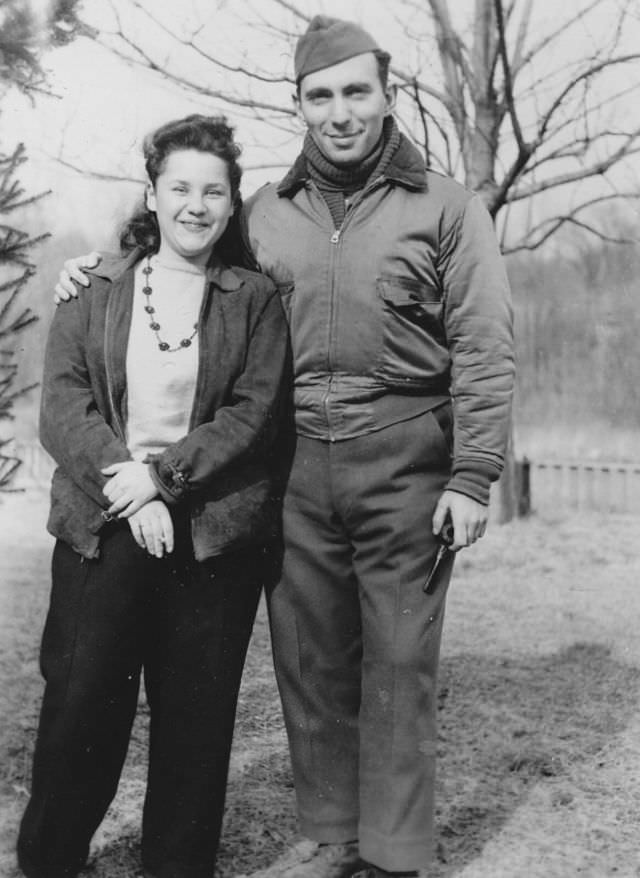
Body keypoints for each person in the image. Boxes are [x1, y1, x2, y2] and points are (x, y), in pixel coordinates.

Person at [53, 15, 515, 878]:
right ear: (299, 105)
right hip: (294, 463)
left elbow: (486, 347)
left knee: (401, 660)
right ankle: (332, 832)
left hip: (406, 455)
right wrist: (99, 268)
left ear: (387, 94)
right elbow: (180, 249)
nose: (339, 113)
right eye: (319, 97)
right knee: (308, 658)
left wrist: (474, 473)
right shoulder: (265, 211)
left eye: (356, 93)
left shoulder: (449, 207)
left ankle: (396, 850)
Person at [18, 114, 289, 878]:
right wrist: (132, 490)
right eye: (180, 188)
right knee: (79, 716)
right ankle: (49, 864)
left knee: (195, 733)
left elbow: (255, 411)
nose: (195, 205)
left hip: (210, 542)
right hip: (102, 533)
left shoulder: (255, 299)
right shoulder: (94, 286)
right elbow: (63, 406)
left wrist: (166, 480)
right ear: (153, 193)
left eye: (214, 191)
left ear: (233, 204)